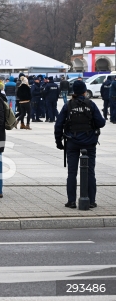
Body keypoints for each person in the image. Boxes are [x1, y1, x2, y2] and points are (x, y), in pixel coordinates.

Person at [54, 80, 105, 208]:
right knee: (90, 172)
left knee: (72, 172)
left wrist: (58, 141)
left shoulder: (68, 105)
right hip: (89, 143)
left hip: (72, 142)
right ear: (84, 91)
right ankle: (91, 200)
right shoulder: (91, 104)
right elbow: (101, 123)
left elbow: (58, 124)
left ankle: (71, 201)